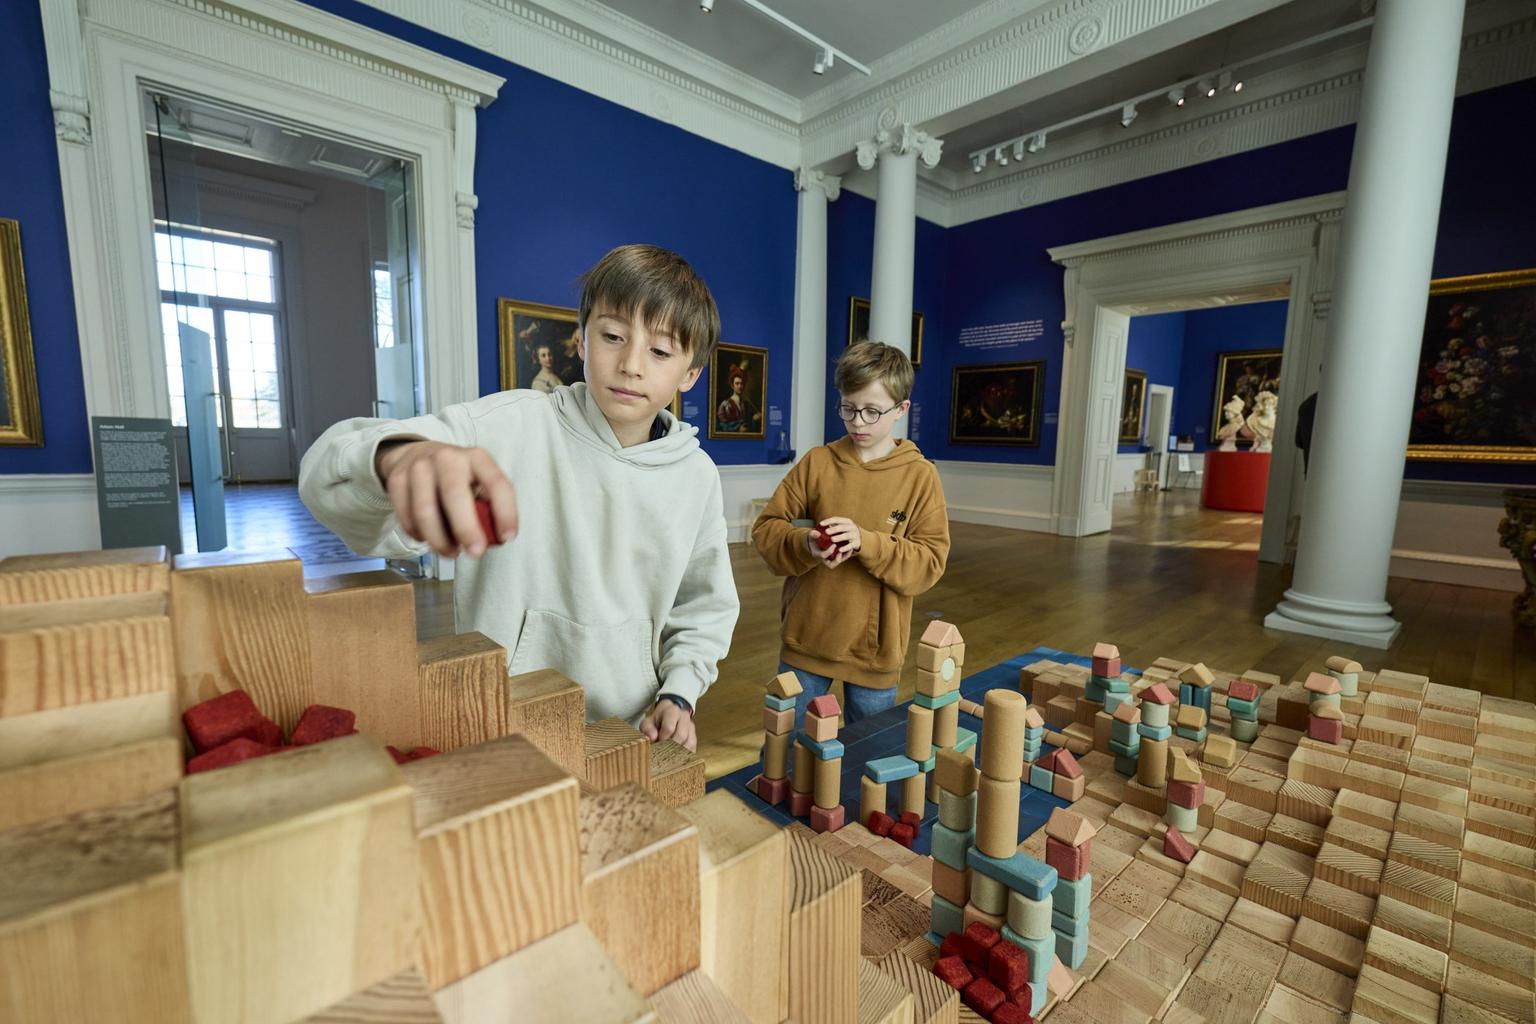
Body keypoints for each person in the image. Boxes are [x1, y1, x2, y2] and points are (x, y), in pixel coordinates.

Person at [298, 244, 737, 751]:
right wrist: (394, 459)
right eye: (613, 336)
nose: (632, 364)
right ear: (582, 340)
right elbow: (323, 473)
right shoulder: (503, 427)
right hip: (499, 719)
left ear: (690, 374)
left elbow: (703, 606)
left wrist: (680, 693)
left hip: (628, 730)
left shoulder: (696, 475)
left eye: (660, 351)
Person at [751, 340, 950, 726]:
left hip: (874, 653)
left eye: (872, 412)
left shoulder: (920, 476)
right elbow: (767, 530)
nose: (858, 422)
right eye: (848, 408)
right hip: (805, 639)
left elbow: (929, 562)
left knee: (867, 755)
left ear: (901, 410)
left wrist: (867, 542)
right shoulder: (818, 463)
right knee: (784, 751)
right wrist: (805, 543)